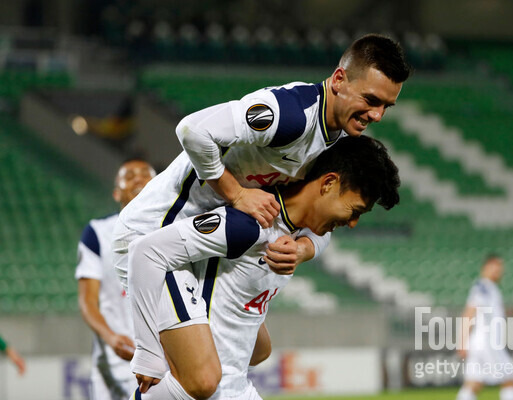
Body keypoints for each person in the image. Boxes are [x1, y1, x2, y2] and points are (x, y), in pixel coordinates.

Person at [113, 33, 411, 292]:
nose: (377, 115)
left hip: (201, 249)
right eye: (371, 100)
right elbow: (192, 130)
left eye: (386, 106)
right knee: (173, 356)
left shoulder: (342, 143)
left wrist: (302, 250)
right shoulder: (288, 114)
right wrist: (237, 193)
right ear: (338, 80)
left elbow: (328, 215)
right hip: (155, 231)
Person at [127, 135, 401, 400]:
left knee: (261, 350)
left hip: (238, 387)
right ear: (329, 182)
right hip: (206, 389)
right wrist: (148, 349)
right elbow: (146, 251)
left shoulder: (300, 234)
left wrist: (305, 249)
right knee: (203, 382)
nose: (352, 223)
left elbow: (321, 239)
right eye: (354, 211)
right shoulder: (248, 225)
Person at [76, 159, 156, 400]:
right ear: (116, 192)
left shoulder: (175, 229)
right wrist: (110, 337)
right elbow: (87, 302)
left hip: (162, 359)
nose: (138, 178)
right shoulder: (97, 232)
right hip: (114, 362)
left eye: (145, 173)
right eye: (128, 175)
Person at [456, 254, 513, 400]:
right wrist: (461, 342)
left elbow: (495, 314)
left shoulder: (490, 288)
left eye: (501, 267)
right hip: (488, 343)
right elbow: (469, 313)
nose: (499, 271)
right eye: (496, 266)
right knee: (509, 379)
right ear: (485, 267)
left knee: (473, 384)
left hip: (479, 344)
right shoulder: (482, 287)